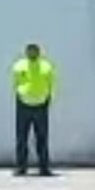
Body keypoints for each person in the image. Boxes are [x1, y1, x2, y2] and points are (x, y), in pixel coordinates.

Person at [12, 43, 56, 177]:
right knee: (21, 138)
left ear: (39, 52)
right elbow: (15, 83)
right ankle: (21, 167)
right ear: (26, 52)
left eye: (34, 51)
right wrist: (20, 95)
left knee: (42, 138)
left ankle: (44, 167)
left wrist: (48, 99)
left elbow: (52, 83)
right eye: (30, 51)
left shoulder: (46, 66)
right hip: (23, 105)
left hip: (41, 105)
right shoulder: (18, 66)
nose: (32, 53)